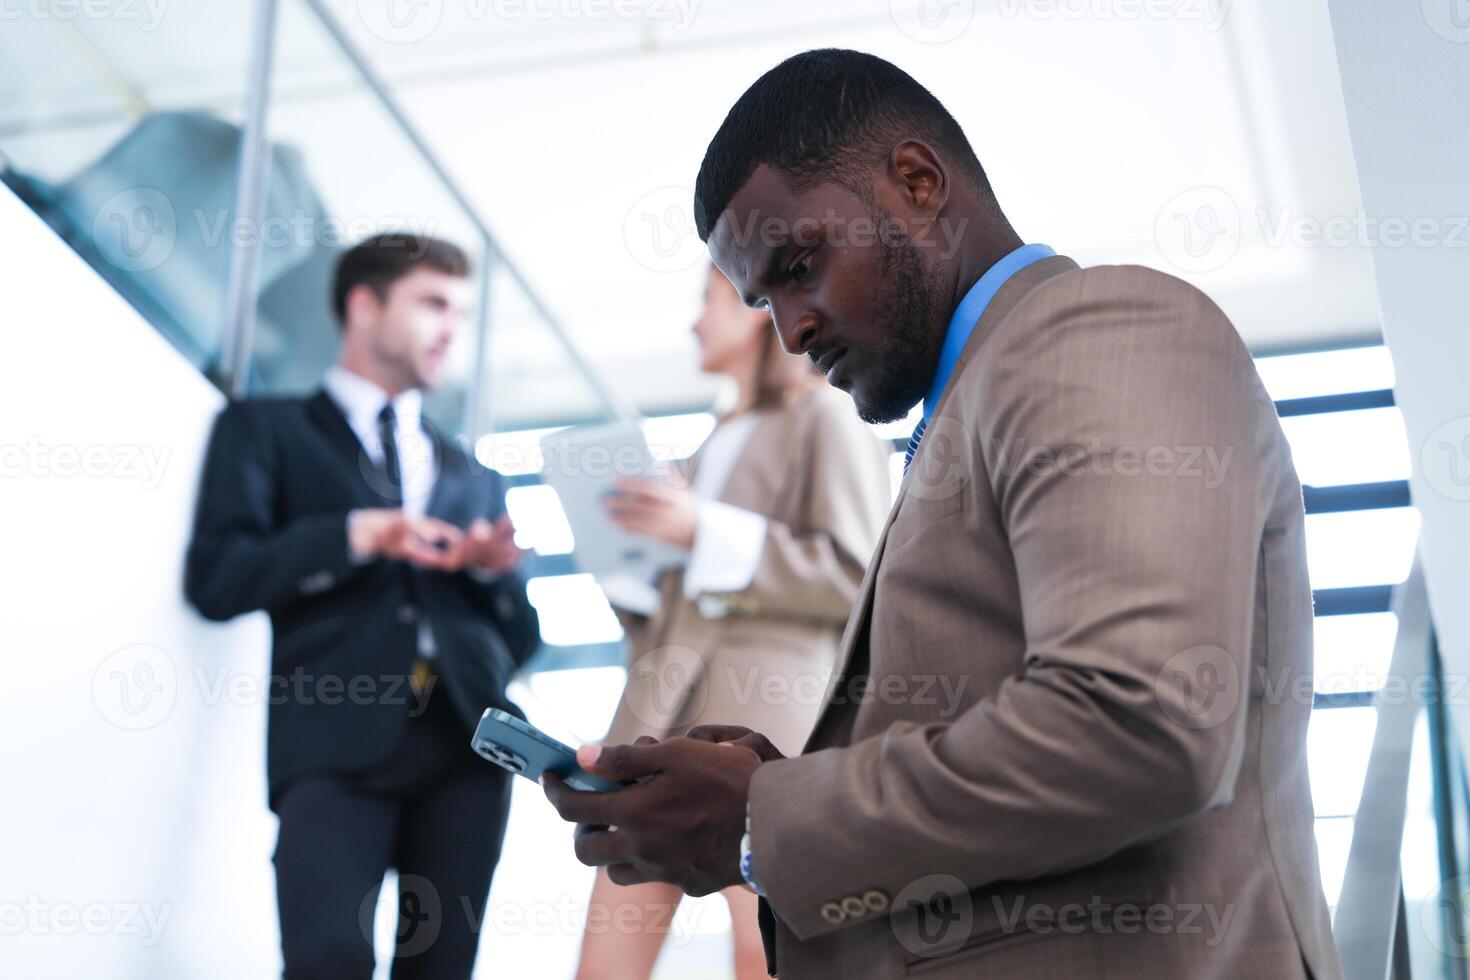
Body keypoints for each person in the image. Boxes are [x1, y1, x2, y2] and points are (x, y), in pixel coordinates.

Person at [542, 49, 1343, 980]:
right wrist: (776, 781)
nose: (792, 329)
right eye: (765, 301)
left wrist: (767, 819)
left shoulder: (1096, 325)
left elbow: (1141, 723)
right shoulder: (969, 407)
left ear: (918, 183)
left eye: (801, 266)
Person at [185, 233, 540, 980]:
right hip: (331, 738)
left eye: (461, 311)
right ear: (364, 305)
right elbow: (217, 578)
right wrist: (355, 534)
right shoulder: (264, 429)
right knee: (326, 959)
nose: (451, 330)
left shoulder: (471, 473)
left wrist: (491, 573)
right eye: (433, 304)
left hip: (468, 745)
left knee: (441, 968)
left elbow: (524, 639)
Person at [573, 264, 891, 979]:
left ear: (754, 309)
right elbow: (685, 606)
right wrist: (629, 566)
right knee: (605, 957)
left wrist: (706, 532)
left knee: (764, 955)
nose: (693, 323)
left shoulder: (824, 416)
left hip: (762, 725)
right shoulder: (708, 446)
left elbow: (858, 576)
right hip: (664, 719)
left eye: (705, 302)